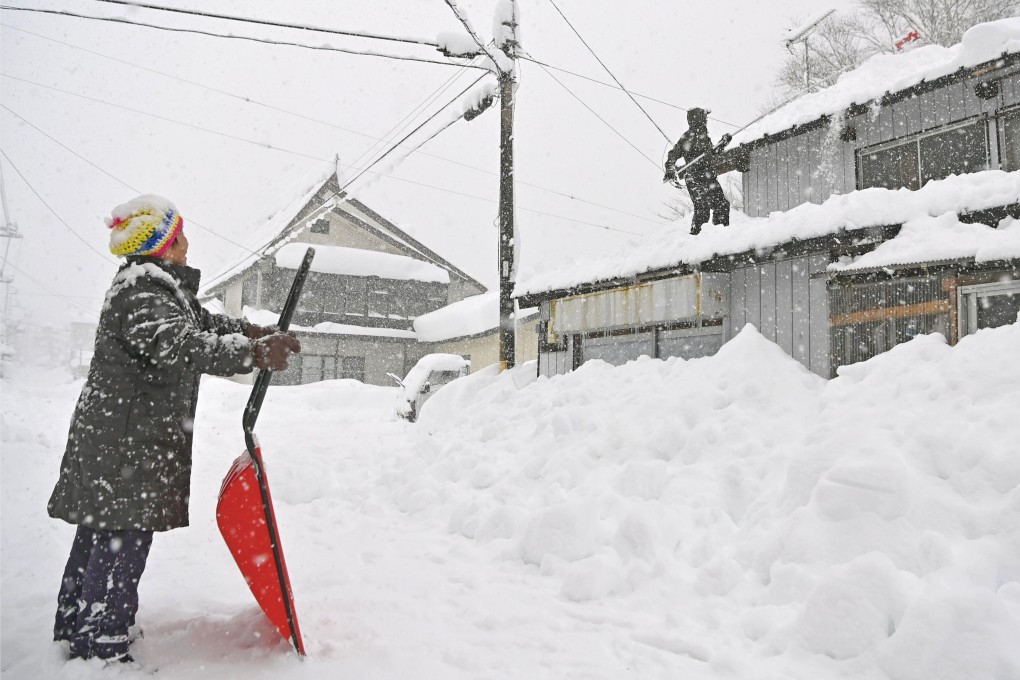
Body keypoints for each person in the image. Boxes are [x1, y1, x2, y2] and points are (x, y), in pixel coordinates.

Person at [47, 195, 301, 664]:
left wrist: (253, 333)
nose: (187, 244)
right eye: (179, 236)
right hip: (124, 443)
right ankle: (101, 645)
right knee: (121, 536)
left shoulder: (160, 289)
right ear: (163, 246)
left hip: (122, 436)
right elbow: (183, 345)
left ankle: (76, 624)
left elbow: (205, 324)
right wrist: (254, 355)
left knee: (103, 531)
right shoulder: (142, 292)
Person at [664, 107, 732, 235]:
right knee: (702, 209)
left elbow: (711, 154)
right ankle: (696, 240)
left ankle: (720, 234)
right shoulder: (687, 137)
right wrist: (670, 169)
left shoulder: (705, 137)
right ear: (699, 119)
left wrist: (722, 143)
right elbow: (673, 154)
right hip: (695, 178)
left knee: (722, 204)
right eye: (705, 117)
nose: (706, 119)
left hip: (709, 177)